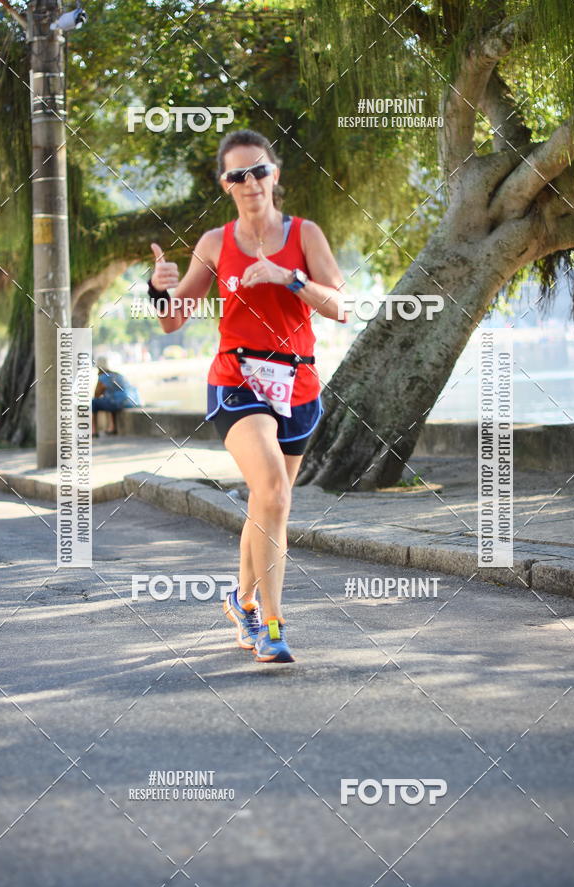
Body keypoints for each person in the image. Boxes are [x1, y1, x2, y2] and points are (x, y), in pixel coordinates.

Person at [148, 128, 347, 663]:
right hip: (236, 381)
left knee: (268, 502)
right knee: (275, 493)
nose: (251, 181)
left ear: (275, 174)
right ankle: (273, 627)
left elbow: (339, 305)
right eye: (239, 175)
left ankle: (243, 600)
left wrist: (288, 278)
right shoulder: (215, 243)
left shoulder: (306, 235)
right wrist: (157, 288)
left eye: (259, 170)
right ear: (226, 184)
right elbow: (172, 321)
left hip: (299, 384)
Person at [91, 356, 140, 437]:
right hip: (129, 401)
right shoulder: (118, 375)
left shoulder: (103, 377)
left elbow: (96, 394)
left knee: (94, 402)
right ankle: (112, 427)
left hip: (118, 403)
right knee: (110, 400)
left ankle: (94, 431)